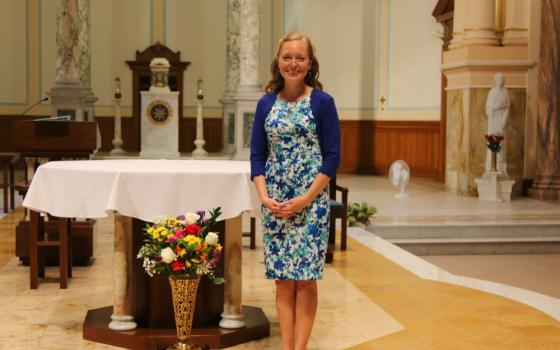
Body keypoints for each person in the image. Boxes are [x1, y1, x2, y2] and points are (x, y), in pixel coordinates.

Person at [250, 31, 340, 350]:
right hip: (275, 202)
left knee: (305, 280)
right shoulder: (265, 104)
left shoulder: (322, 102)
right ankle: (286, 347)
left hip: (310, 203)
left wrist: (305, 199)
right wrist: (263, 197)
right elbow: (257, 156)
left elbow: (331, 158)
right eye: (287, 57)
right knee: (283, 280)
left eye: (300, 57)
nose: (293, 63)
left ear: (310, 62)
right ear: (278, 62)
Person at [485, 73, 510, 173]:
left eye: (501, 79)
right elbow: (488, 106)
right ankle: (490, 165)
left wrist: (504, 120)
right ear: (495, 81)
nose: (500, 81)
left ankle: (501, 166)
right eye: (498, 79)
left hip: (501, 118)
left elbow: (507, 107)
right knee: (492, 139)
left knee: (501, 141)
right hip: (493, 118)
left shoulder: (506, 92)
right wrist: (492, 108)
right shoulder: (491, 92)